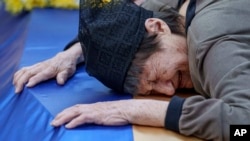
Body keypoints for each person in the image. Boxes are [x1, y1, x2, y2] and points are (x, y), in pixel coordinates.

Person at [12, 0, 250, 140]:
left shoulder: (212, 43)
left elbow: (244, 127)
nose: (168, 92)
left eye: (157, 77)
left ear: (157, 27)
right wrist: (73, 53)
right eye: (151, 90)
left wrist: (141, 110)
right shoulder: (168, 14)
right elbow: (125, 18)